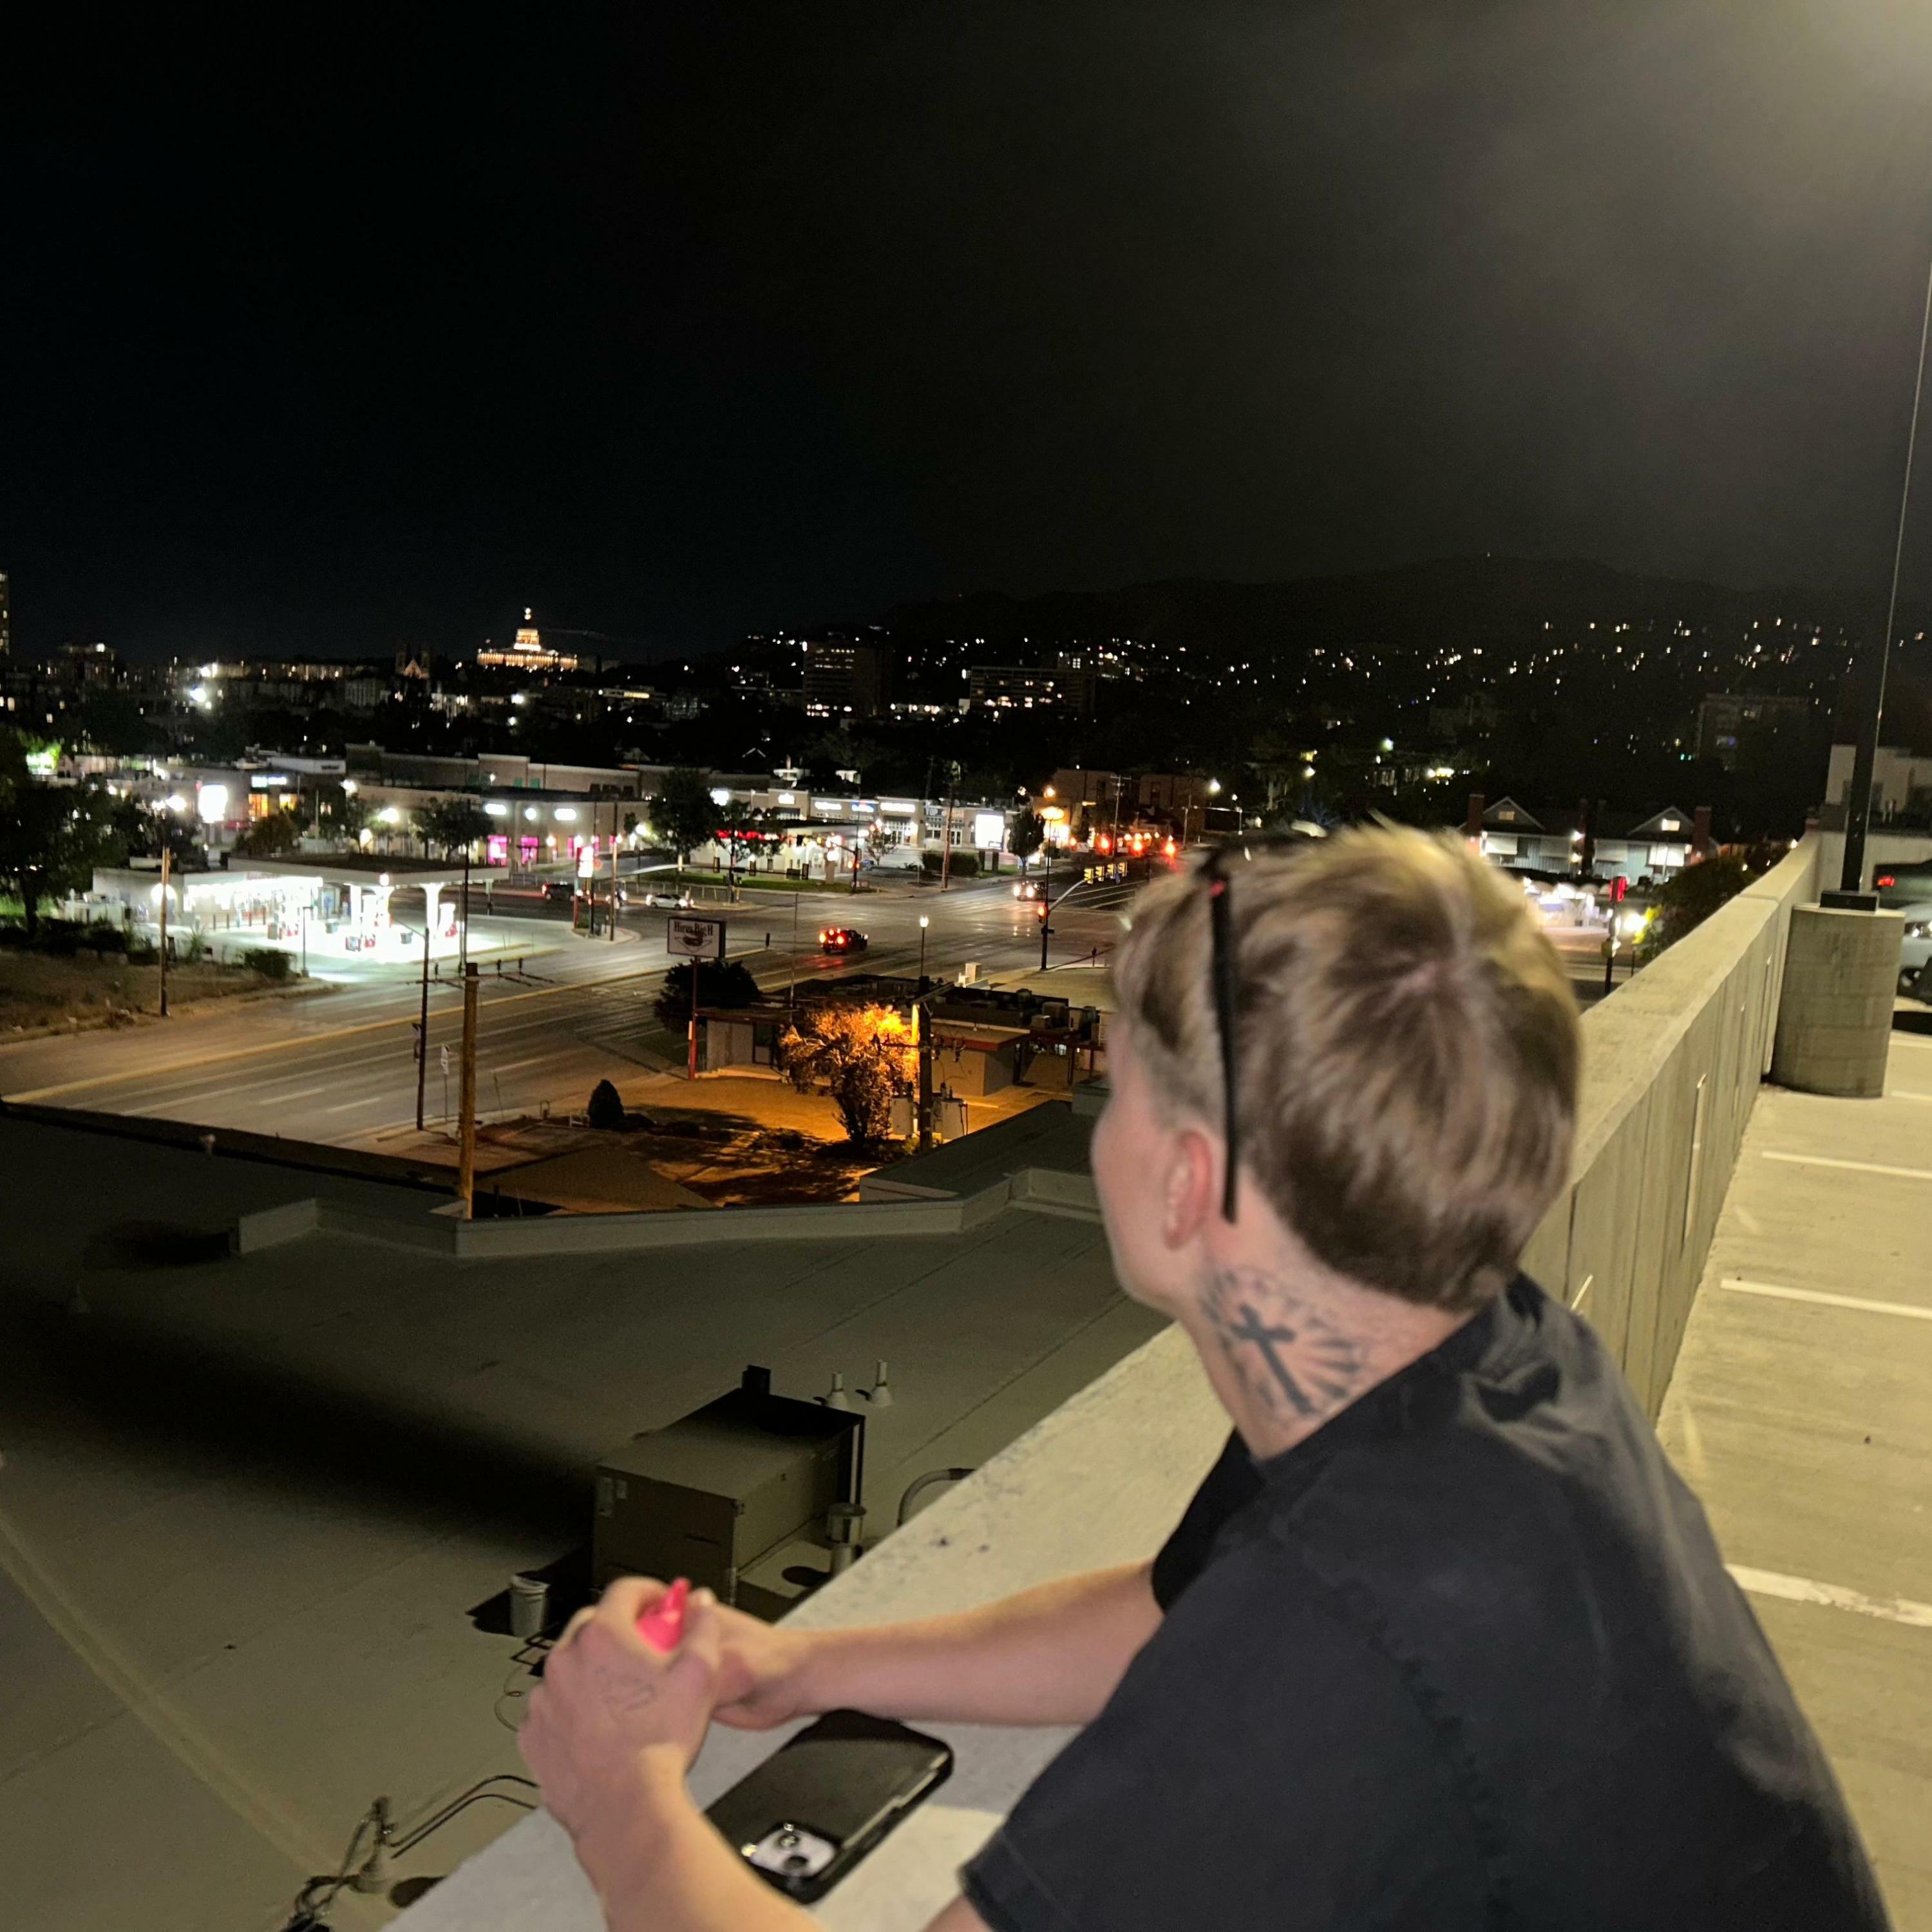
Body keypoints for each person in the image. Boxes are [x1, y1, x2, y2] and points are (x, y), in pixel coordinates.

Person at [520, 826, 1889, 1932]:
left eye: (1119, 1093)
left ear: (1186, 1185)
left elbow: (1282, 1650)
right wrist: (801, 1661)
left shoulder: (1348, 1624)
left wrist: (618, 1797)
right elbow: (1165, 1619)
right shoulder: (1484, 1358)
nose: (1094, 1127)